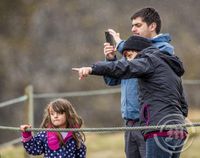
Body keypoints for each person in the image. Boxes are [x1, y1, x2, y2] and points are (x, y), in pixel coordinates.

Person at [72, 35, 188, 158]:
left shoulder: (148, 61)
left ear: (139, 52)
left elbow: (124, 68)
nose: (128, 61)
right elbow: (184, 106)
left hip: (159, 129)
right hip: (178, 130)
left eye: (129, 56)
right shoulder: (169, 66)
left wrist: (92, 69)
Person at [103, 7, 174, 158]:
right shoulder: (132, 49)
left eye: (138, 25)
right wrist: (110, 60)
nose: (133, 29)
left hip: (149, 123)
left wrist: (122, 45)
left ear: (152, 26)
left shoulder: (164, 49)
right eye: (132, 25)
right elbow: (112, 79)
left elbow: (145, 61)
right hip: (130, 124)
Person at [20, 98, 86, 158]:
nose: (55, 116)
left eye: (59, 113)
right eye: (52, 113)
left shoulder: (75, 134)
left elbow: (81, 154)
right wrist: (26, 134)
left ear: (68, 114)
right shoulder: (45, 134)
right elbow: (33, 149)